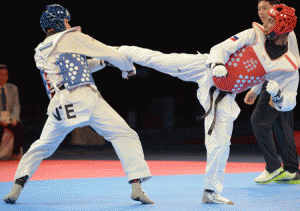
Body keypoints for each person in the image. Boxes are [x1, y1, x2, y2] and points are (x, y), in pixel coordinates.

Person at [117, 3, 299, 204]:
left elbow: (289, 102)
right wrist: (217, 63)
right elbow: (220, 48)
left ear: (283, 27)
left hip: (223, 96)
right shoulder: (253, 34)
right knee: (162, 61)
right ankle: (119, 52)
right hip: (205, 68)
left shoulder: (287, 66)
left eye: (272, 21)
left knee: (220, 144)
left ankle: (210, 191)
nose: (265, 23)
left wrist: (279, 95)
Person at [3, 4, 154, 204]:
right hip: (84, 97)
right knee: (124, 134)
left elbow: (75, 68)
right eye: (66, 21)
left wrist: (101, 63)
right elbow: (112, 53)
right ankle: (136, 186)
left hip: (59, 105)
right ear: (58, 22)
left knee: (41, 147)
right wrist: (127, 68)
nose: (69, 24)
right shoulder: (72, 37)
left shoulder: (40, 50)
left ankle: (16, 186)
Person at [244, 0, 300, 184]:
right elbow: (263, 67)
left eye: (265, 8)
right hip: (271, 85)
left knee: (270, 124)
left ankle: (277, 168)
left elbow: (293, 62)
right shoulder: (265, 33)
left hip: (283, 84)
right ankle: (289, 169)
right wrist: (255, 90)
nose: (261, 12)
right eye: (258, 8)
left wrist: (279, 94)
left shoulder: (285, 33)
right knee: (281, 127)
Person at [0, 64, 24, 160]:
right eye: (1, 75)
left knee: (19, 128)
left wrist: (14, 118)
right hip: (0, 119)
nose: (3, 77)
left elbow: (16, 106)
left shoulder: (13, 88)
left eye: (5, 75)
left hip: (9, 118)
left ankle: (16, 153)